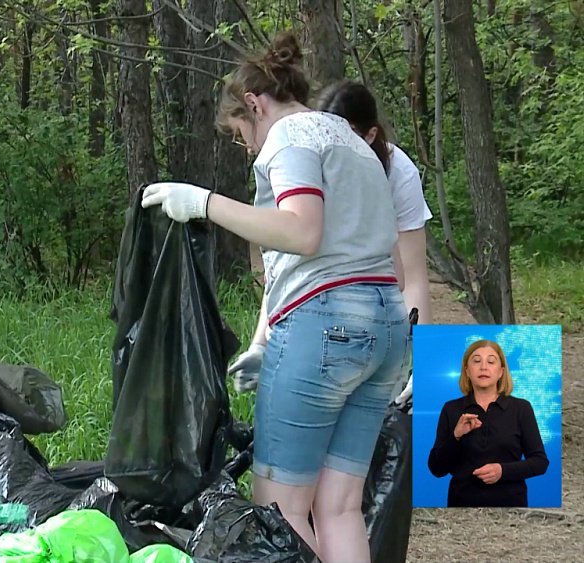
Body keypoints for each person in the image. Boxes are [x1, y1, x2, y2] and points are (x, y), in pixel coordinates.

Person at [140, 32, 409, 562]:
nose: (250, 149)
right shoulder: (352, 140)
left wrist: (203, 203)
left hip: (324, 330)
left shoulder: (290, 137)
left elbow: (300, 232)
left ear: (256, 105)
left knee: (279, 511)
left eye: (243, 135)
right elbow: (375, 257)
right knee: (339, 507)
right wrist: (267, 342)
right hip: (386, 329)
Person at [315, 80, 435, 408]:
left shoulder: (399, 173)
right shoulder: (308, 167)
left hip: (382, 301)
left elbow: (412, 277)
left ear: (370, 135)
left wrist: (422, 361)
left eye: (348, 137)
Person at [427, 340, 549, 507]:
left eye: (491, 361)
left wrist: (503, 471)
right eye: (476, 361)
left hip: (511, 506)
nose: (483, 367)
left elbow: (540, 462)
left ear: (501, 372)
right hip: (462, 506)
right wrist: (456, 436)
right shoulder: (451, 409)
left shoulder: (521, 408)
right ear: (467, 371)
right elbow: (436, 469)